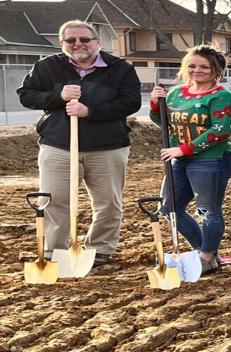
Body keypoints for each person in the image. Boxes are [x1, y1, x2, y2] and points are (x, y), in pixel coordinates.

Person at [15, 19, 141, 267]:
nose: (78, 44)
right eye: (70, 40)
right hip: (58, 145)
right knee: (53, 200)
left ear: (97, 42)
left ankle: (100, 250)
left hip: (108, 147)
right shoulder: (48, 66)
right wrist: (57, 96)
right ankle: (55, 251)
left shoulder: (120, 69)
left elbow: (130, 102)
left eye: (84, 39)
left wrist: (90, 111)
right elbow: (26, 96)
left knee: (107, 202)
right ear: (62, 43)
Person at [150, 45, 231, 272]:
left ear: (216, 70)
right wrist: (155, 103)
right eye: (192, 66)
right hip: (178, 158)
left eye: (204, 67)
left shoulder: (222, 97)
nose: (197, 70)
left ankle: (207, 255)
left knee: (208, 210)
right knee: (169, 207)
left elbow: (220, 130)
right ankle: (204, 251)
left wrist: (184, 149)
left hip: (212, 158)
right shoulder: (176, 93)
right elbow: (164, 123)